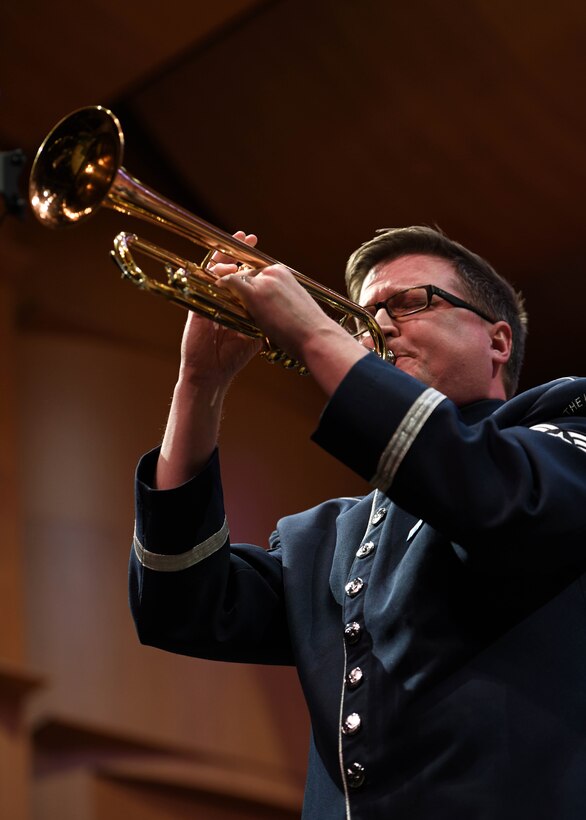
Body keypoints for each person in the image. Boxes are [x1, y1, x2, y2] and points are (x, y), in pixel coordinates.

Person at [129, 226, 586, 820]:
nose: (377, 327)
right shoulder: (328, 538)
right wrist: (199, 382)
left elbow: (489, 495)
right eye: (362, 315)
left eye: (410, 302)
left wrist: (315, 332)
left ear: (497, 340)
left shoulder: (565, 431)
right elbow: (179, 605)